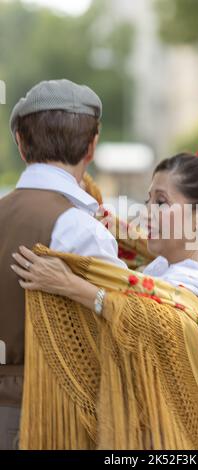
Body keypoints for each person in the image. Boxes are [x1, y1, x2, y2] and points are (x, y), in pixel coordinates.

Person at [12, 139, 198, 371]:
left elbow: (148, 324)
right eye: (148, 201)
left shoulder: (191, 286)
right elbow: (135, 262)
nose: (147, 212)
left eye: (161, 202)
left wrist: (69, 285)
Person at [0, 79, 126, 450]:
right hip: (52, 417)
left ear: (21, 144)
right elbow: (119, 329)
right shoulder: (81, 228)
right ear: (92, 146)